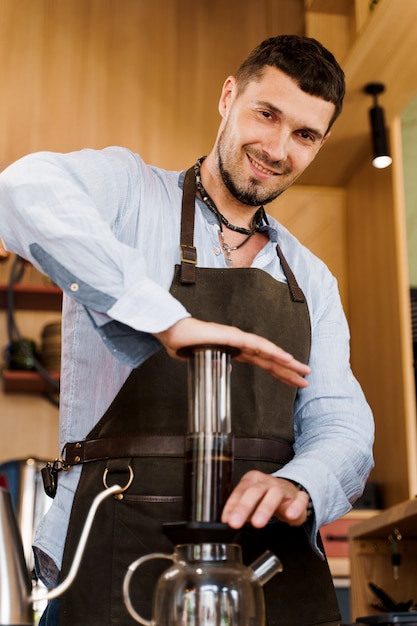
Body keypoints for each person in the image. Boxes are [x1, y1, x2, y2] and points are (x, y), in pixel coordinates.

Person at [0, 34, 374, 626]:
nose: (278, 149)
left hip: (264, 567)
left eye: (304, 136)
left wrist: (302, 485)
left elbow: (343, 425)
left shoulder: (311, 277)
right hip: (113, 548)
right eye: (267, 114)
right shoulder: (130, 195)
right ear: (229, 97)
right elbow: (22, 190)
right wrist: (167, 321)